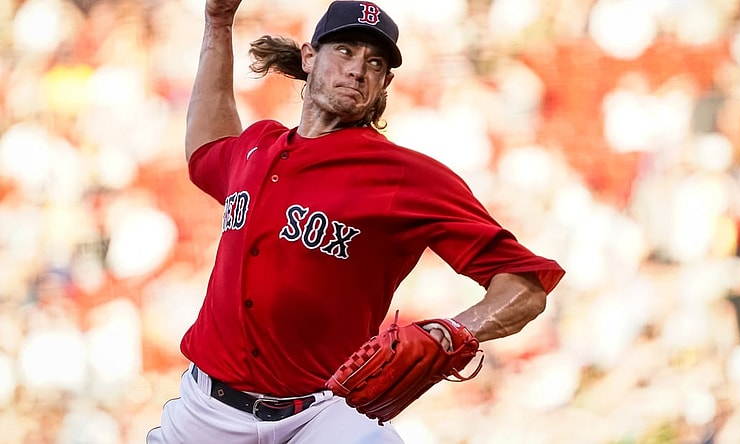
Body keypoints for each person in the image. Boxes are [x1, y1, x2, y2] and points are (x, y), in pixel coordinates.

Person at [147, 0, 565, 443]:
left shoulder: (404, 176)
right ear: (309, 57)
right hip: (207, 412)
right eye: (344, 50)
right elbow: (207, 146)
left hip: (326, 416)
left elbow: (524, 285)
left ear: (385, 82)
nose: (357, 69)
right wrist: (217, 22)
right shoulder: (256, 148)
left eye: (375, 62)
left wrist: (454, 331)